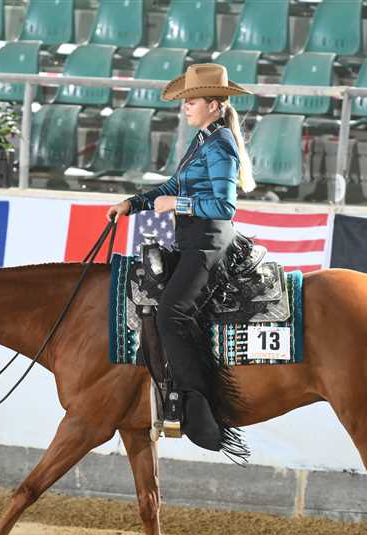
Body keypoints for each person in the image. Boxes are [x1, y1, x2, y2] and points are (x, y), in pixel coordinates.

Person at [106, 63, 256, 451]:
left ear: (214, 105)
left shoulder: (220, 145)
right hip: (193, 240)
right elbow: (172, 186)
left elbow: (225, 206)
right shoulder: (204, 141)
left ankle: (196, 406)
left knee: (172, 312)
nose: (185, 106)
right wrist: (133, 204)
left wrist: (180, 204)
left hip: (210, 243)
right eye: (185, 101)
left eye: (192, 100)